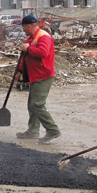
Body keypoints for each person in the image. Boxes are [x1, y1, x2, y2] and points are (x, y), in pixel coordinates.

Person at [15, 15, 61, 144]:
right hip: (35, 75)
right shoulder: (31, 38)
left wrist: (28, 48)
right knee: (32, 104)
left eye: (24, 27)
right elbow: (25, 57)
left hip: (44, 75)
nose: (24, 30)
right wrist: (19, 70)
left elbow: (43, 52)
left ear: (28, 26)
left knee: (37, 104)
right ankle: (33, 131)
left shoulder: (43, 36)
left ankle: (52, 130)